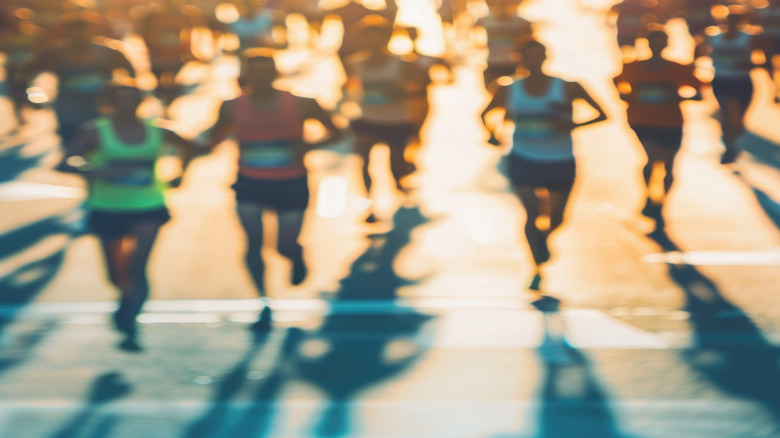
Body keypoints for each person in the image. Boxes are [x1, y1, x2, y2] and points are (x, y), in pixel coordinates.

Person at [207, 49, 344, 332]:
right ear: (245, 75)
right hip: (249, 182)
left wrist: (310, 146)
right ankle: (263, 299)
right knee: (253, 242)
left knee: (283, 245)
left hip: (291, 183)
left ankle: (295, 254)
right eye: (253, 70)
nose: (259, 76)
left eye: (265, 69)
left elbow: (337, 132)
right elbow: (212, 138)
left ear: (275, 72)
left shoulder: (303, 104)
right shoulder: (231, 106)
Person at [58, 81, 199, 351]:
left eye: (131, 99)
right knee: (115, 272)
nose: (126, 105)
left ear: (140, 102)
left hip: (149, 206)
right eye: (119, 99)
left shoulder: (157, 130)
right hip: (108, 207)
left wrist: (182, 173)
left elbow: (193, 146)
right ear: (108, 104)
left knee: (137, 267)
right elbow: (64, 162)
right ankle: (125, 299)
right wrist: (96, 172)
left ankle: (131, 320)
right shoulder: (94, 133)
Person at [481, 38, 606, 292]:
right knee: (532, 210)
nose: (534, 61)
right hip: (523, 158)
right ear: (520, 59)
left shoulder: (568, 87)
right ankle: (535, 263)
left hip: (560, 159)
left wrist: (573, 125)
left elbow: (602, 114)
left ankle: (544, 238)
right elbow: (485, 113)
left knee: (558, 217)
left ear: (546, 57)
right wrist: (493, 133)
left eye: (539, 56)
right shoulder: (508, 89)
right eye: (529, 56)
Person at [341, 16, 430, 222]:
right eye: (368, 38)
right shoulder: (354, 63)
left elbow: (420, 94)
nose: (373, 43)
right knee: (364, 162)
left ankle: (398, 182)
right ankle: (369, 203)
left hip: (397, 121)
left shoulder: (403, 64)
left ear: (387, 39)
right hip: (367, 120)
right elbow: (348, 88)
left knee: (395, 163)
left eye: (378, 38)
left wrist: (418, 125)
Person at [614, 29, 706, 225]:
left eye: (660, 43)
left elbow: (699, 92)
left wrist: (680, 97)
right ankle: (648, 193)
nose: (656, 47)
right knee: (653, 157)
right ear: (647, 44)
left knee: (669, 165)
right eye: (653, 43)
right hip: (641, 120)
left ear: (666, 45)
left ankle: (662, 202)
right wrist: (624, 95)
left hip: (671, 122)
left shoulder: (677, 69)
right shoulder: (634, 67)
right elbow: (616, 80)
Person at [23, 14, 135, 150]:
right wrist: (31, 95)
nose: (80, 37)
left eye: (83, 31)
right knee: (72, 145)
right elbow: (30, 71)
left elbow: (130, 70)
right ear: (67, 33)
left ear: (92, 31)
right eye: (75, 33)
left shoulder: (108, 51)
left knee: (101, 144)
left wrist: (129, 94)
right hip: (69, 109)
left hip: (101, 107)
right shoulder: (54, 53)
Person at [695, 7, 773, 163]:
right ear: (723, 21)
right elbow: (697, 49)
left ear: (742, 23)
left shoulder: (750, 38)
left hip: (742, 83)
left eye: (736, 22)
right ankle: (730, 148)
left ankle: (730, 141)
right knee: (731, 115)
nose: (732, 25)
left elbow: (769, 59)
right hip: (722, 82)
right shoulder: (713, 36)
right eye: (729, 21)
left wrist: (753, 66)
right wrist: (694, 68)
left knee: (737, 119)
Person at [475, 0, 532, 88]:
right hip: (493, 62)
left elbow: (528, 41)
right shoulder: (486, 20)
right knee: (491, 91)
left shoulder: (520, 22)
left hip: (512, 64)